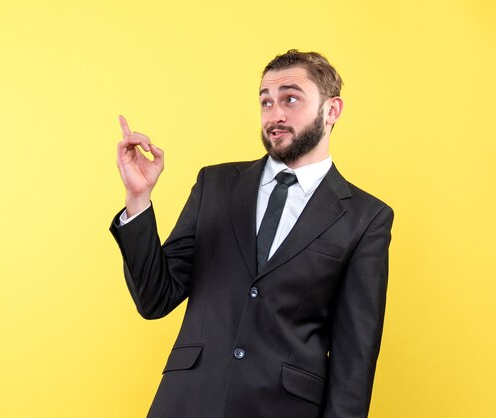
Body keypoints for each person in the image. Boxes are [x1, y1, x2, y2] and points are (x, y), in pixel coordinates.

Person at [109, 50, 394, 418]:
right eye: (266, 101)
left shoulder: (365, 217)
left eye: (291, 98)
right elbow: (155, 299)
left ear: (332, 109)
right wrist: (138, 198)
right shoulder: (215, 185)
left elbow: (354, 359)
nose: (275, 114)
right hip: (189, 402)